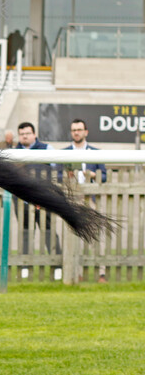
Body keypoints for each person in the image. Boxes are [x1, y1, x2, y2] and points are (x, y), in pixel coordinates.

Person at [62, 119, 108, 283]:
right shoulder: (64, 152)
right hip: (71, 200)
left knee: (98, 234)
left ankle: (101, 273)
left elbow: (104, 175)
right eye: (74, 130)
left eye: (79, 129)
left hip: (90, 198)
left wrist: (93, 174)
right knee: (73, 235)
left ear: (86, 132)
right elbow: (57, 174)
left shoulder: (96, 152)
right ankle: (77, 272)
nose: (76, 132)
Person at [16, 121, 60, 277]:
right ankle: (25, 268)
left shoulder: (47, 149)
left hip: (43, 197)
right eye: (22, 134)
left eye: (27, 133)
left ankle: (57, 267)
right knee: (26, 232)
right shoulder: (14, 151)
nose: (25, 136)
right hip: (22, 200)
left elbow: (57, 171)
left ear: (34, 134)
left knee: (49, 230)